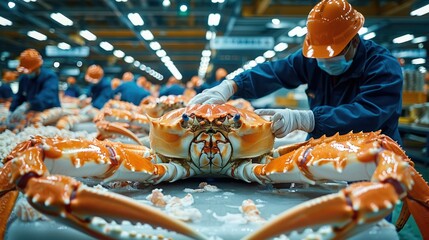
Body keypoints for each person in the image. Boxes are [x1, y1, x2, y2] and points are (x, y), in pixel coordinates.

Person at [188, 0, 403, 145]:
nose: (325, 62)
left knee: (370, 211)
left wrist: (308, 120)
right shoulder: (311, 60)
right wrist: (232, 85)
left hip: (373, 157)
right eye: (320, 56)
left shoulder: (383, 67)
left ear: (353, 41)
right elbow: (275, 72)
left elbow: (369, 114)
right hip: (325, 152)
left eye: (332, 55)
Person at [9, 49, 61, 121]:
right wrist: (12, 110)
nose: (28, 73)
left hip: (51, 114)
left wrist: (28, 105)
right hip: (33, 113)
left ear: (38, 67)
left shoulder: (50, 77)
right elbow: (19, 96)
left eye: (31, 70)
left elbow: (46, 96)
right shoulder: (24, 78)